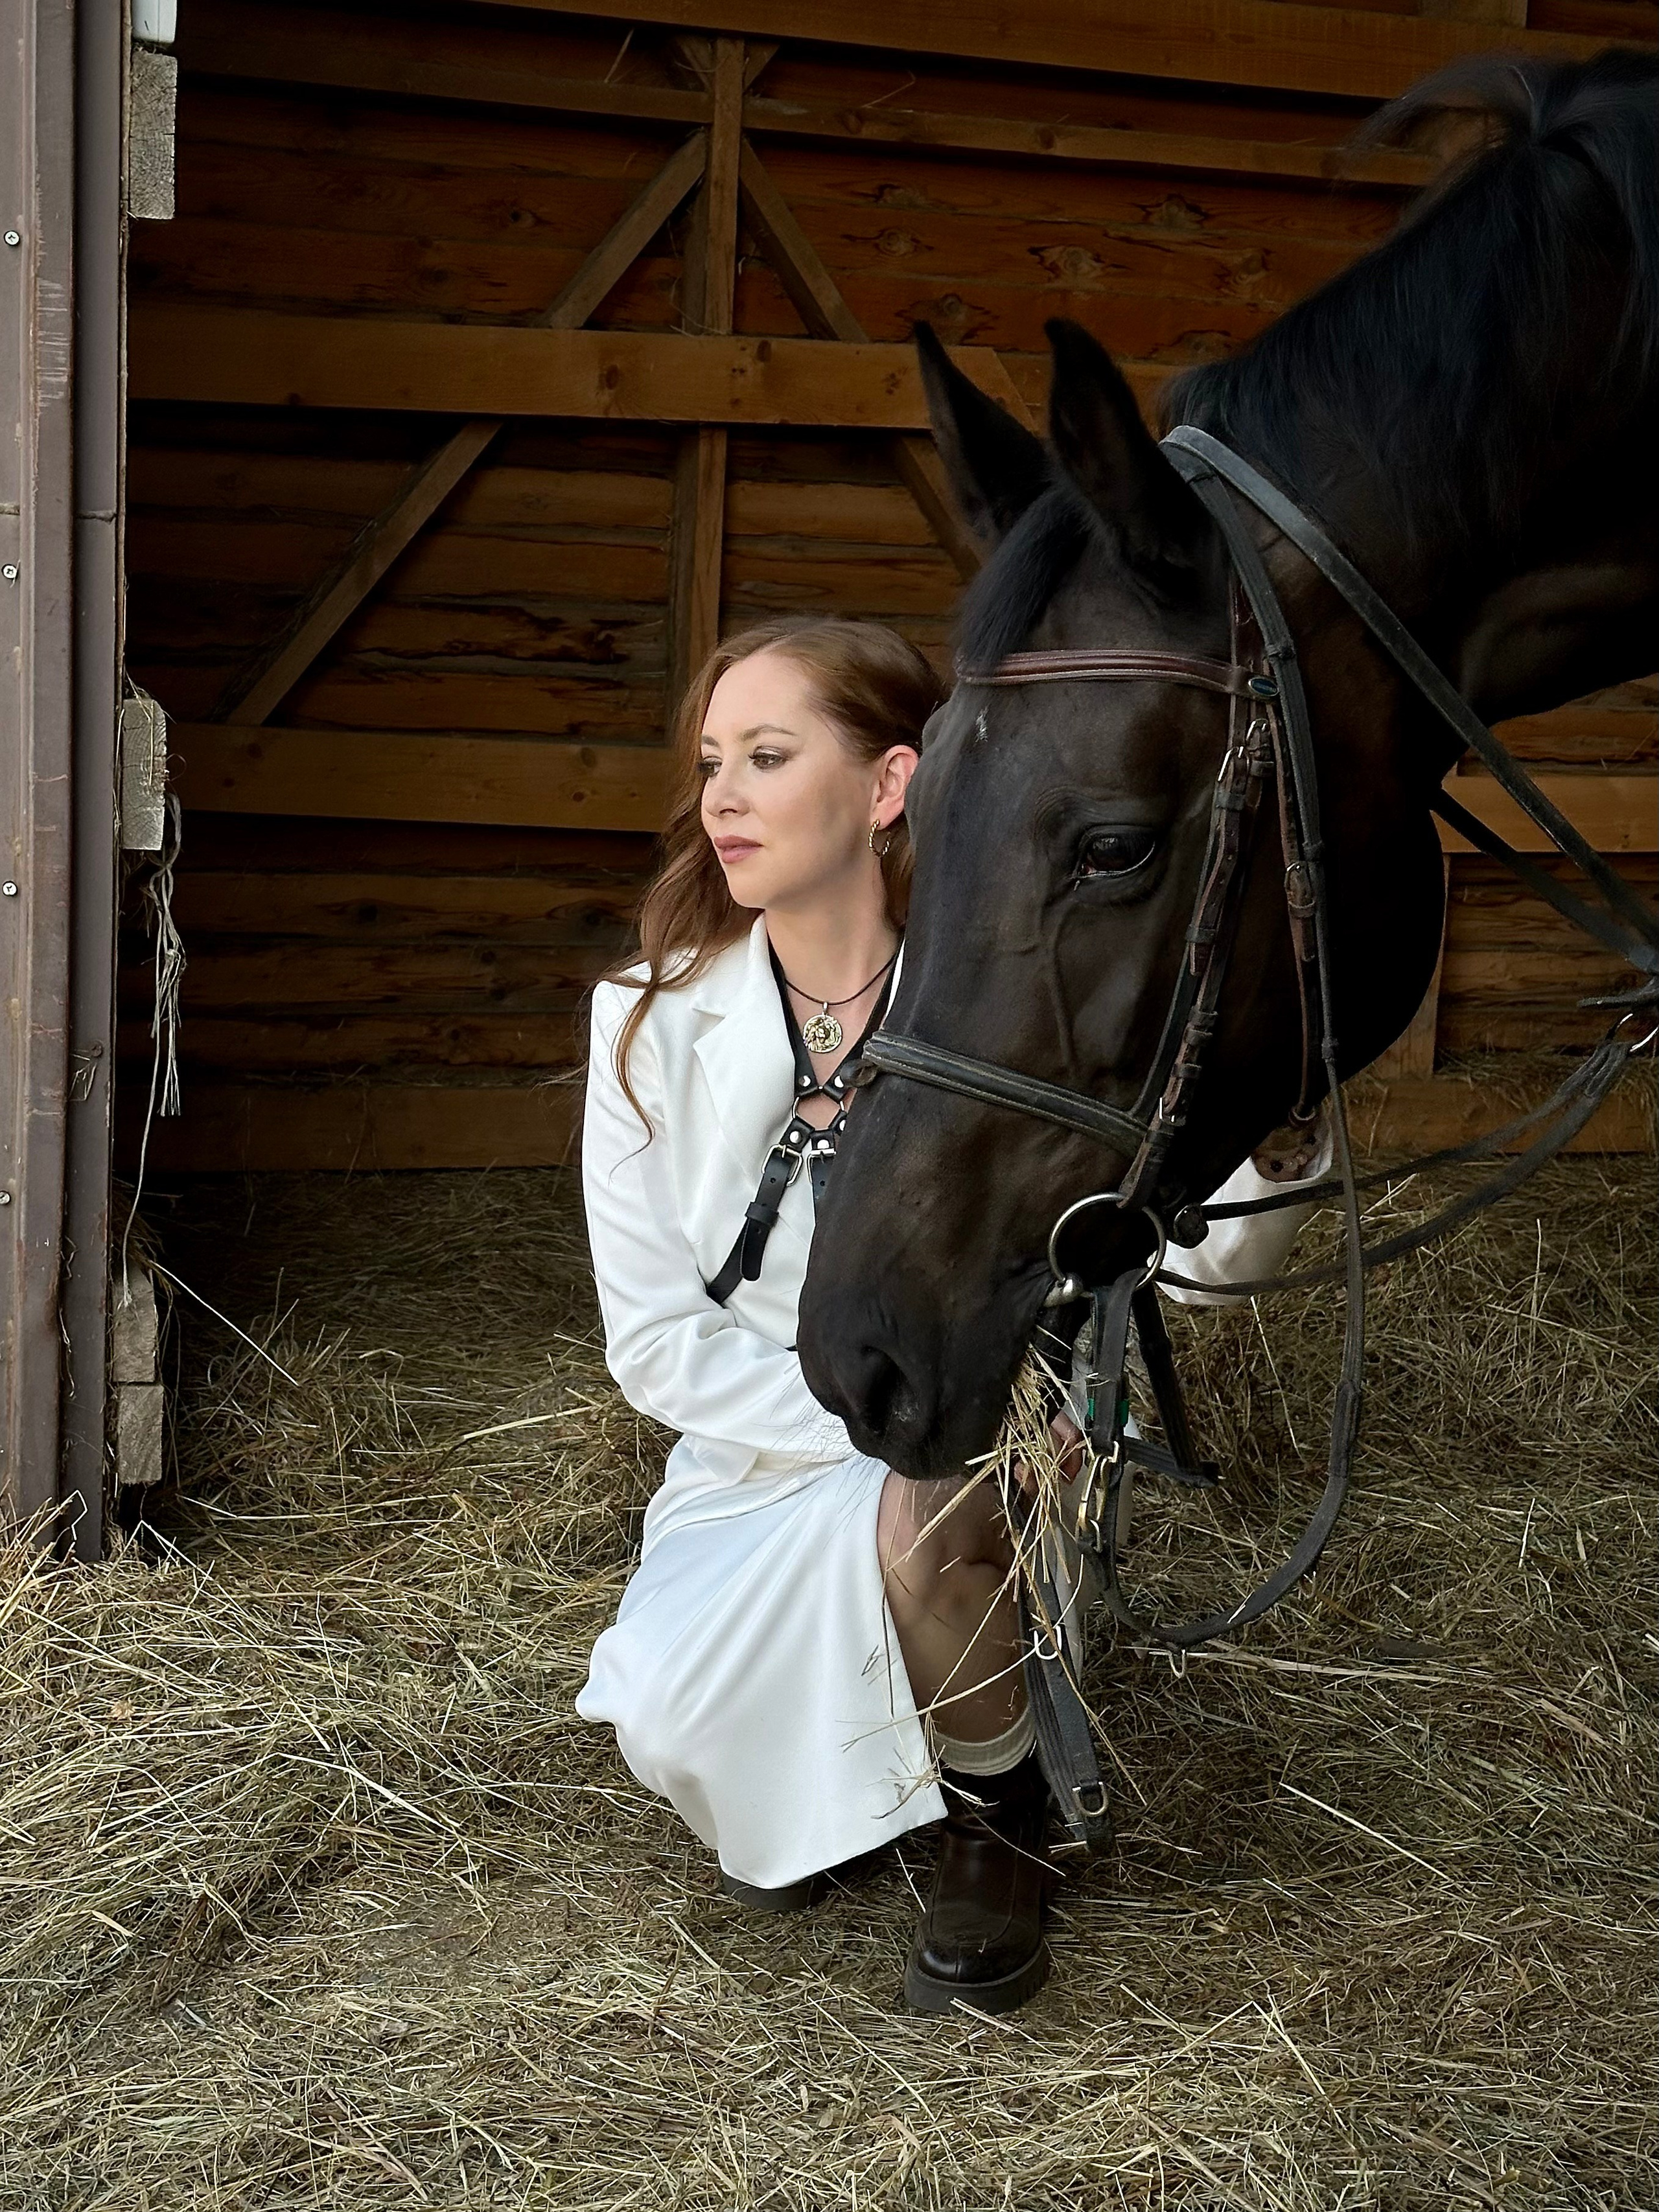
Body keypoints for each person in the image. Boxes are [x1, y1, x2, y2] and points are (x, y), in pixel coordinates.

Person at [576, 617, 1329, 2015]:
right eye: (709, 763)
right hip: (754, 1470)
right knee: (679, 1728)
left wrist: (1270, 1152)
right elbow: (654, 1346)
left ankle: (1003, 1812)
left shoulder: (1008, 1006)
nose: (719, 796)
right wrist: (878, 1418)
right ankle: (850, 1731)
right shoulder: (645, 1021)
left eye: (766, 755)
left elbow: (1181, 1273)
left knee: (928, 1509)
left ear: (887, 787)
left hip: (992, 1438)